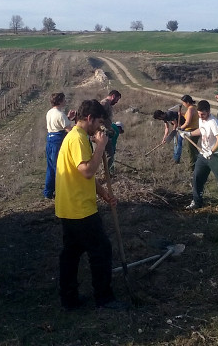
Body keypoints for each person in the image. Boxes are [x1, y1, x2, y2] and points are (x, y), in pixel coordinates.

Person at [55, 99, 125, 311]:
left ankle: (69, 299)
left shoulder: (78, 137)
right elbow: (87, 170)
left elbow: (82, 175)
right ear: (89, 118)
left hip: (69, 206)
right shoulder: (77, 139)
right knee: (101, 250)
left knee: (71, 254)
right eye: (98, 122)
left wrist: (104, 194)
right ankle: (104, 298)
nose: (99, 127)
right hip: (80, 210)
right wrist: (101, 147)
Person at [180, 100, 218, 210]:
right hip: (203, 156)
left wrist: (211, 151)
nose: (201, 117)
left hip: (215, 156)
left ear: (208, 111)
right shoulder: (201, 120)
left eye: (203, 114)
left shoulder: (214, 122)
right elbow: (201, 130)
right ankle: (197, 202)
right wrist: (189, 133)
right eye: (199, 114)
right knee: (197, 178)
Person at [44, 92, 75, 199]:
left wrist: (68, 118)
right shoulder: (60, 114)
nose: (65, 101)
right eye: (64, 99)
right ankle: (61, 193)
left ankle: (48, 193)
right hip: (57, 142)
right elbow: (69, 130)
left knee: (51, 168)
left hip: (50, 140)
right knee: (60, 169)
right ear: (60, 101)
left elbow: (58, 124)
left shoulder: (50, 112)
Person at [100, 90, 122, 173]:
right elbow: (98, 117)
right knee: (109, 153)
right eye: (117, 99)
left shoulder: (108, 105)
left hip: (106, 132)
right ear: (113, 96)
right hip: (102, 133)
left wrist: (110, 128)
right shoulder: (104, 103)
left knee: (106, 153)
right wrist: (103, 128)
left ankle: (105, 173)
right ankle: (106, 173)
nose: (117, 101)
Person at [176, 94, 199, 171]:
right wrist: (182, 114)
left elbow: (188, 122)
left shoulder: (190, 109)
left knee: (191, 150)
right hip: (195, 130)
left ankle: (193, 167)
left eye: (184, 102)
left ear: (188, 102)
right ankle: (197, 163)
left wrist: (180, 128)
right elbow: (189, 116)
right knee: (193, 149)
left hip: (190, 131)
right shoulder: (194, 108)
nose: (183, 104)